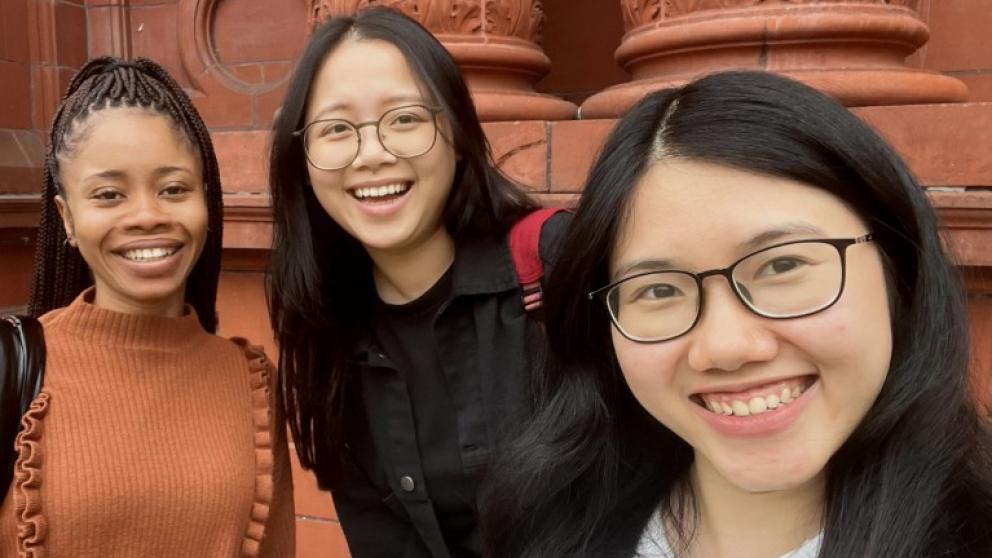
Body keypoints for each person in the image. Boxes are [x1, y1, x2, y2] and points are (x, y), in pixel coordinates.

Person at [480, 70, 992, 558]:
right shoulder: (551, 520)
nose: (725, 347)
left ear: (898, 269)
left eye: (782, 264)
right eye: (658, 290)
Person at [266, 6, 567, 557]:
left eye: (404, 118)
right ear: (301, 159)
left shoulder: (559, 266)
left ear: (455, 131)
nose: (374, 154)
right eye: (336, 129)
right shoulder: (326, 330)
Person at [0, 57, 294, 557]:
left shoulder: (252, 382)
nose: (147, 216)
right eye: (109, 194)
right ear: (67, 218)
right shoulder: (13, 369)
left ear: (206, 200)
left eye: (173, 188)